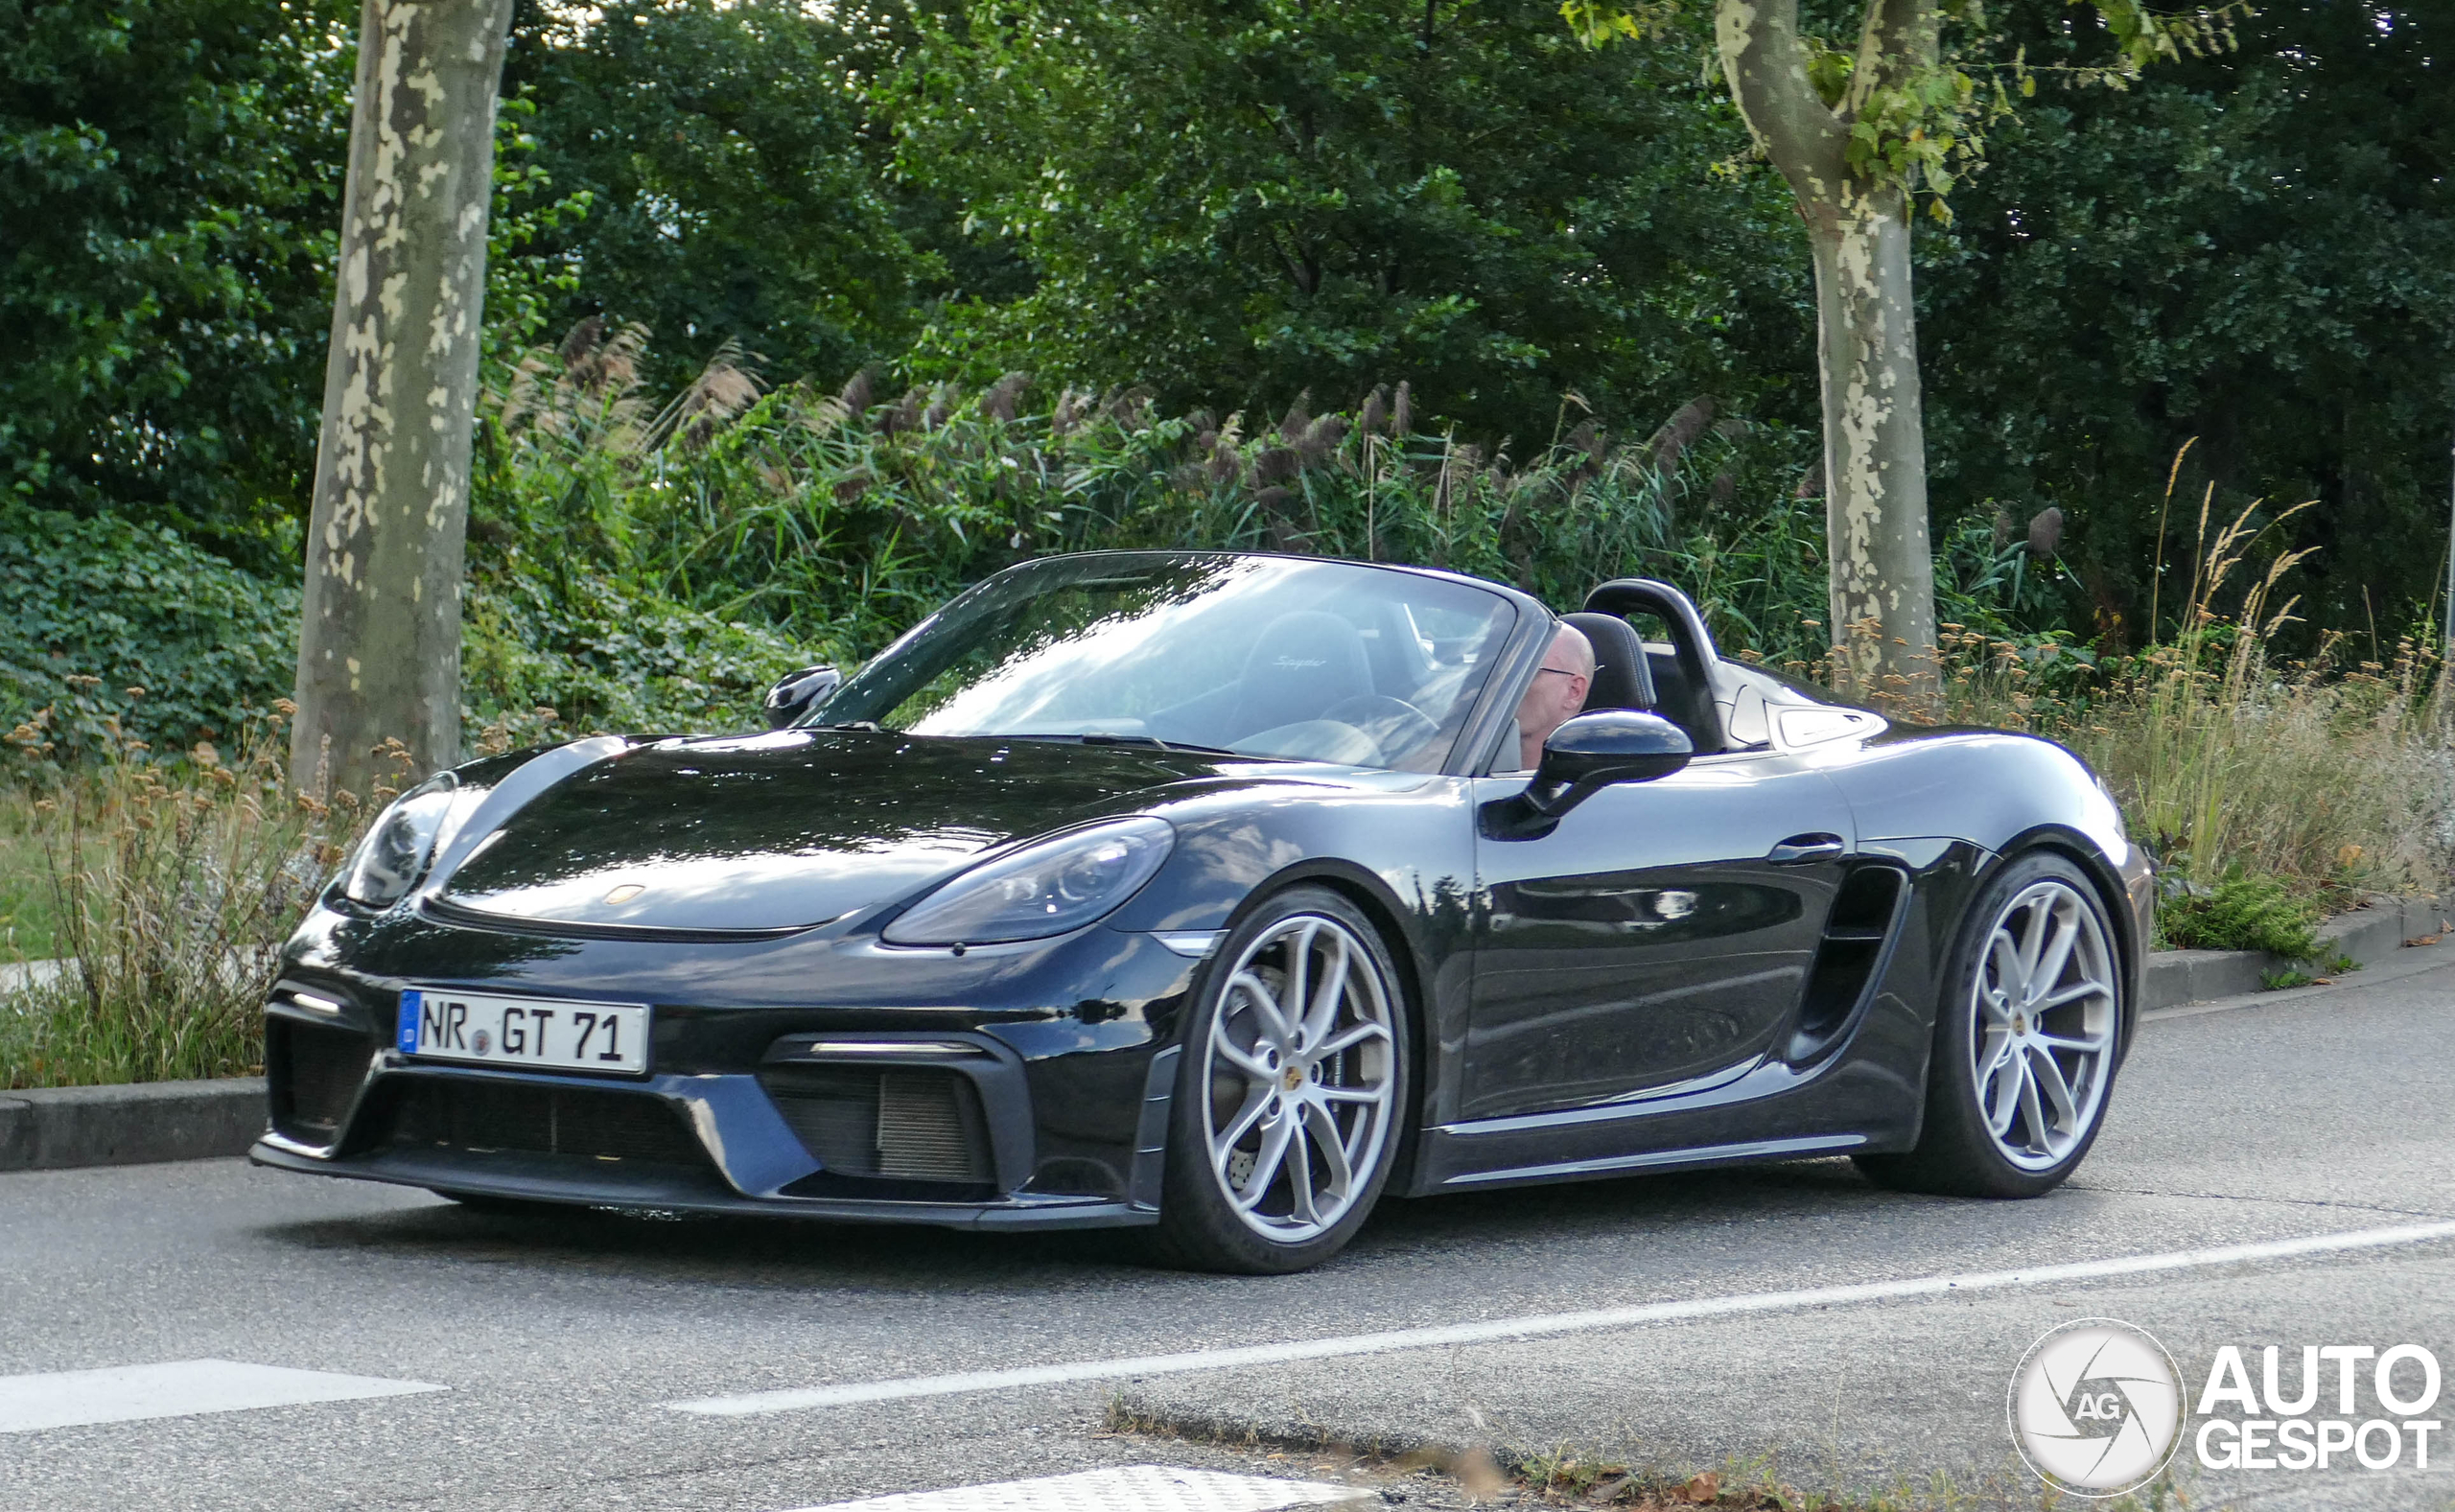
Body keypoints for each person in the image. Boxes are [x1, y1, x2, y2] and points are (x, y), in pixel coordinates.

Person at [1514, 620, 1594, 769]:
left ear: (1573, 691)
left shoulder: (1586, 787)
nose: (1508, 682)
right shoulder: (1464, 760)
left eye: (1527, 672)